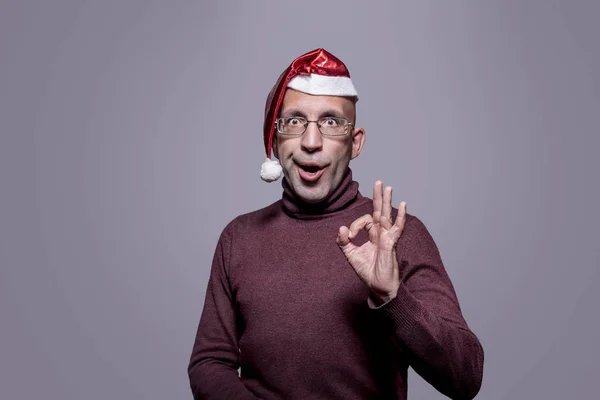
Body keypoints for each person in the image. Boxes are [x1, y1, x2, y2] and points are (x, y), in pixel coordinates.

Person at [187, 48, 484, 399]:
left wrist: (392, 297)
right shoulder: (239, 237)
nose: (311, 143)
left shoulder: (395, 235)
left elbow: (465, 377)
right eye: (295, 122)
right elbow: (209, 363)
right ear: (276, 138)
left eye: (331, 123)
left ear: (354, 142)